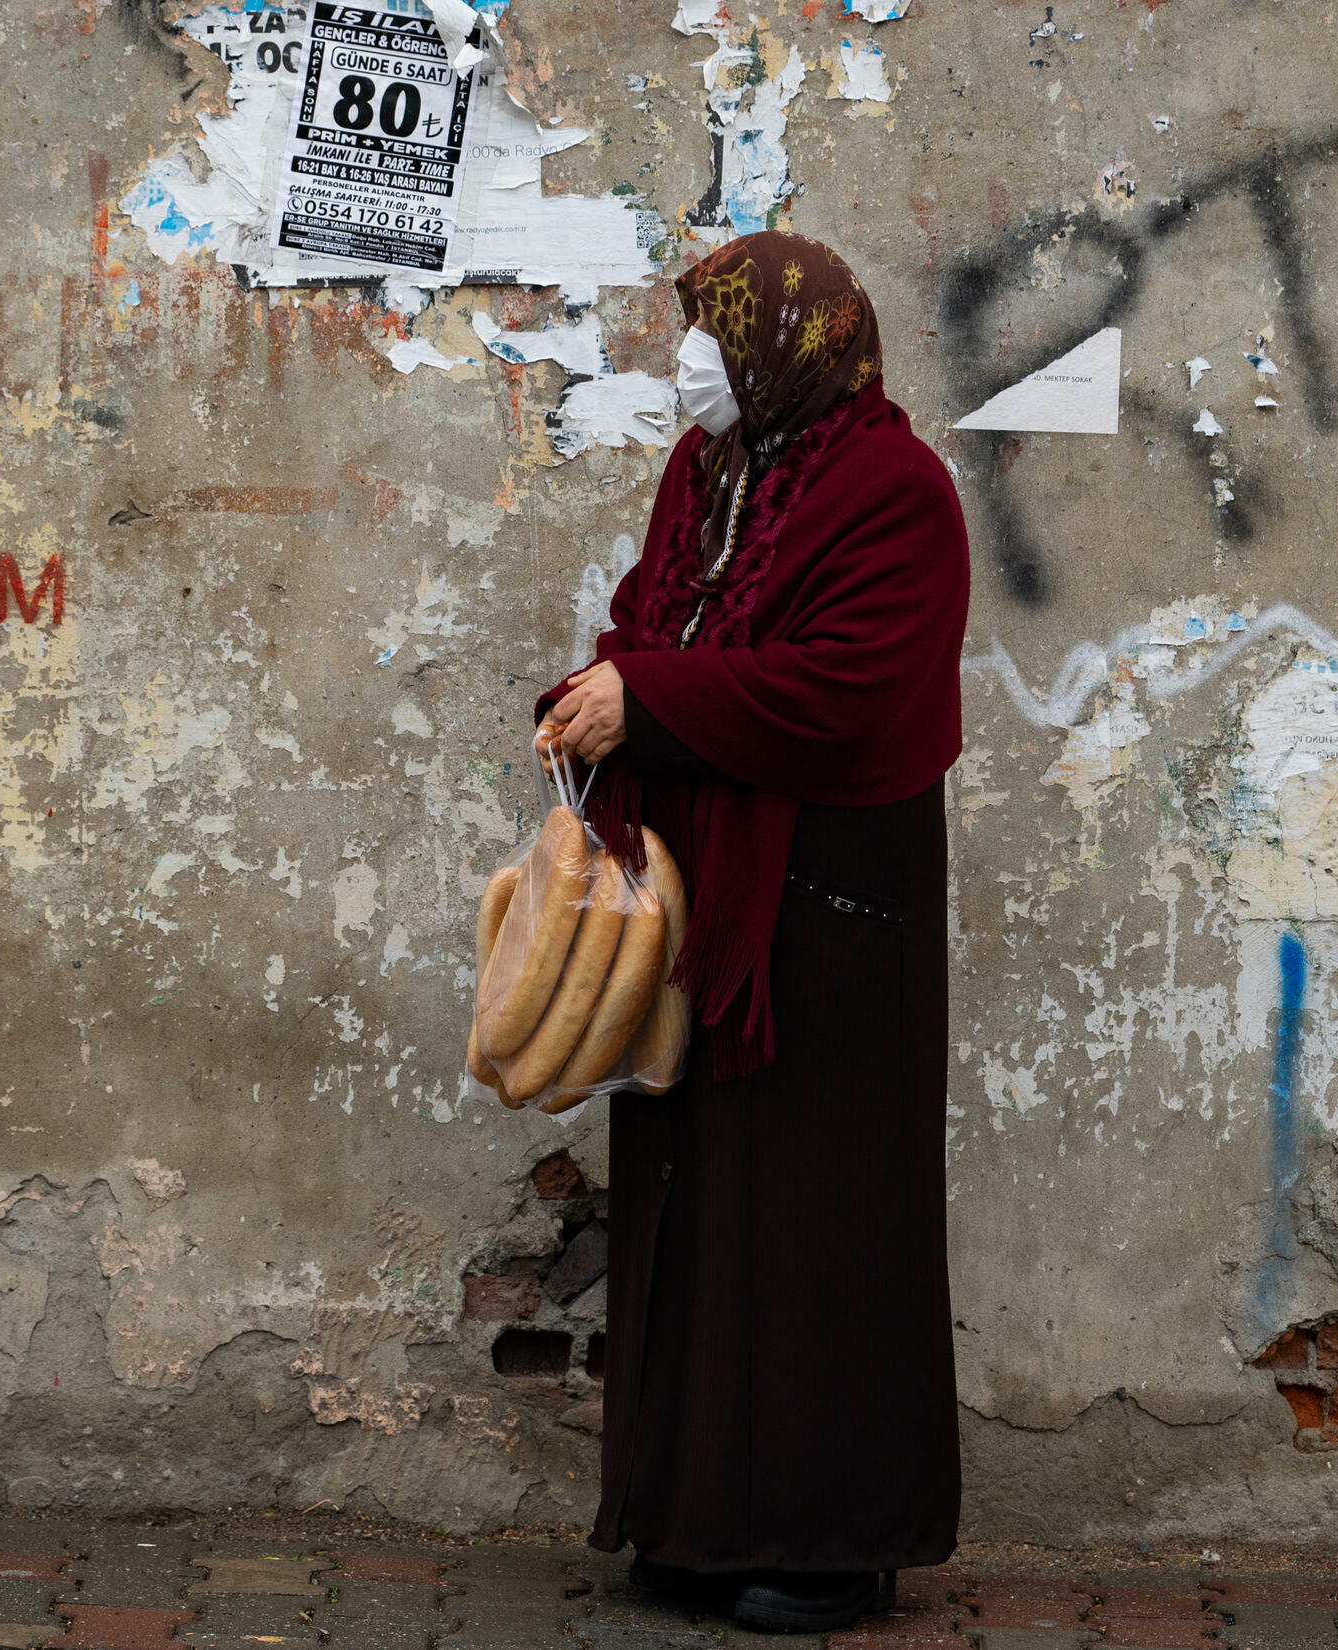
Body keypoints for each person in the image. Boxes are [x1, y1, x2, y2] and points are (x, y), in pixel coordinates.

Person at [535, 230, 969, 1636]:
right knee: (697, 1209)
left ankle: (836, 1540)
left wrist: (648, 701)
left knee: (821, 1220)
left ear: (793, 349)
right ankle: (702, 1523)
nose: (689, 366)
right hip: (705, 893)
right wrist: (599, 692)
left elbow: (843, 690)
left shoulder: (897, 492)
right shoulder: (708, 475)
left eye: (716, 338)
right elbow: (654, 625)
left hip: (836, 910)